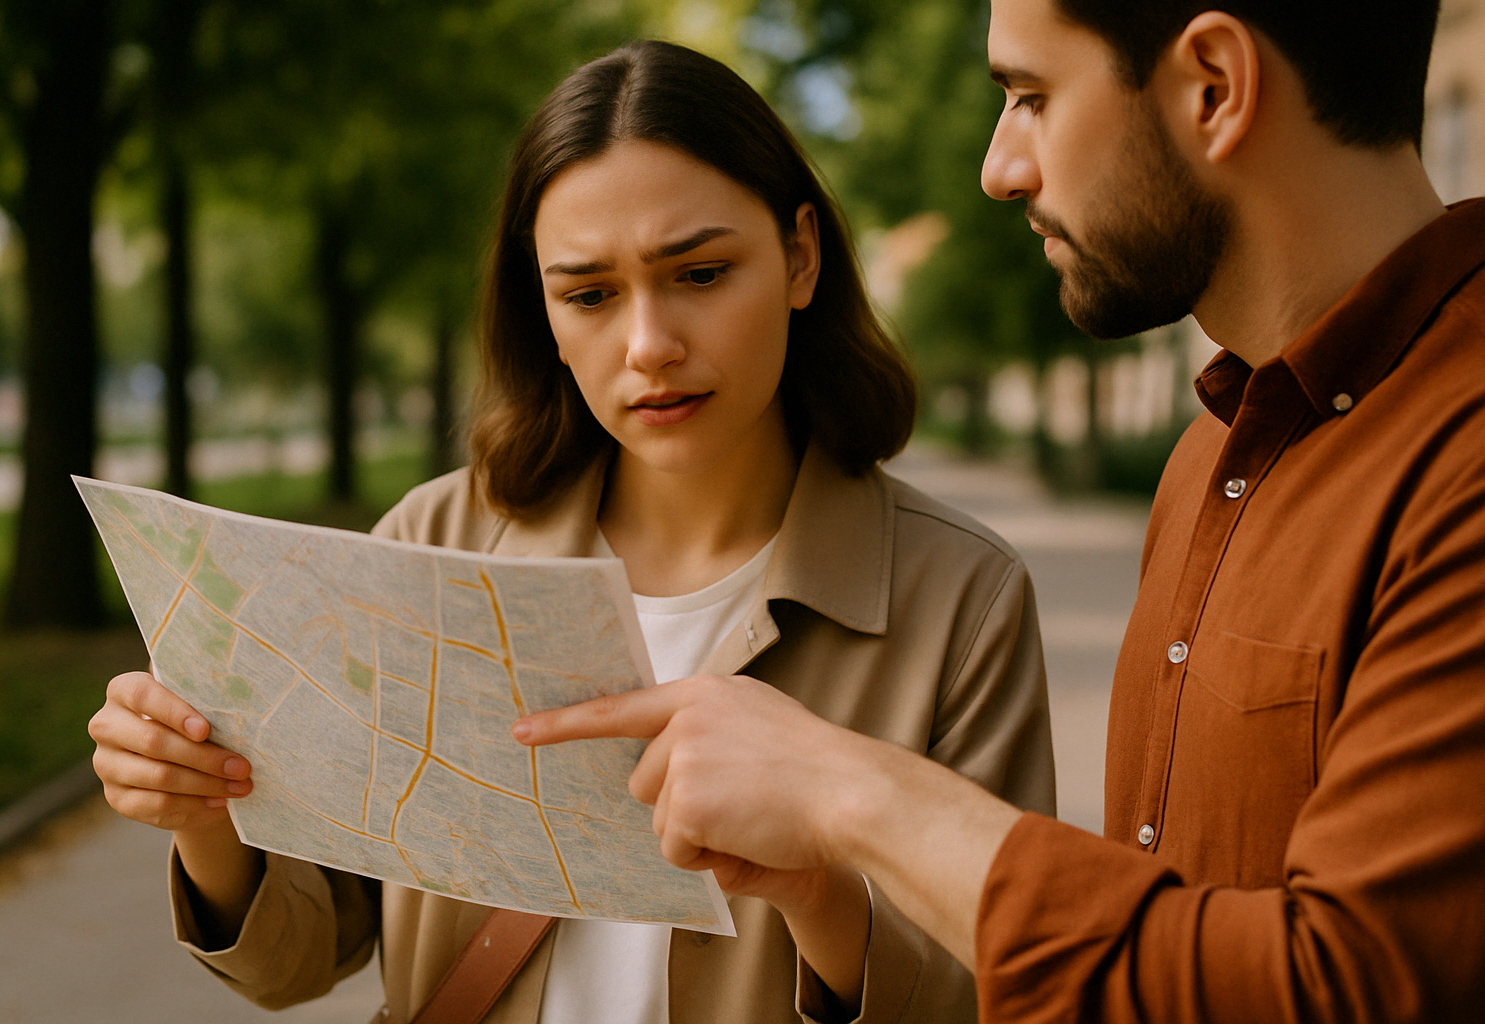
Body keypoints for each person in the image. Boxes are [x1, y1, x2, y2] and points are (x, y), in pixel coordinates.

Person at [516, 1, 1485, 1021]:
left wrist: (850, 793)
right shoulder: (1214, 452)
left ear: (1213, 86)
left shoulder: (1458, 460)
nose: (1000, 166)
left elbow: (1354, 987)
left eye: (1030, 97)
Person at [86, 40, 1056, 1024]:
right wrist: (205, 815)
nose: (649, 346)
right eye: (589, 294)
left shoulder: (959, 599)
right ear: (543, 311)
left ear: (800, 255)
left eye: (702, 272)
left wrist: (817, 890)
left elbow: (1009, 991)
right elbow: (300, 957)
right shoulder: (431, 541)